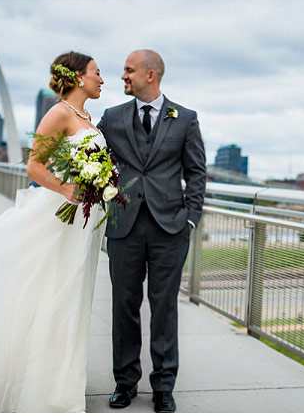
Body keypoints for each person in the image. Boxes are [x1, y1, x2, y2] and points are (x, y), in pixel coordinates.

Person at [0, 51, 106, 412]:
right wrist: (65, 187)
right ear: (77, 77)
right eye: (97, 73)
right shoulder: (58, 113)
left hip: (84, 223)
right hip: (60, 218)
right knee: (53, 297)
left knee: (73, 299)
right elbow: (34, 165)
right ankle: (41, 391)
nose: (101, 80)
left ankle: (62, 384)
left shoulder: (87, 117)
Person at [98, 49, 206, 413]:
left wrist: (190, 218)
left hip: (170, 228)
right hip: (124, 226)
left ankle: (163, 386)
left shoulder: (185, 118)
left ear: (151, 75)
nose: (123, 77)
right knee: (123, 307)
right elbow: (94, 161)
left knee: (164, 308)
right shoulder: (111, 118)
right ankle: (125, 383)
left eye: (128, 71)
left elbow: (196, 173)